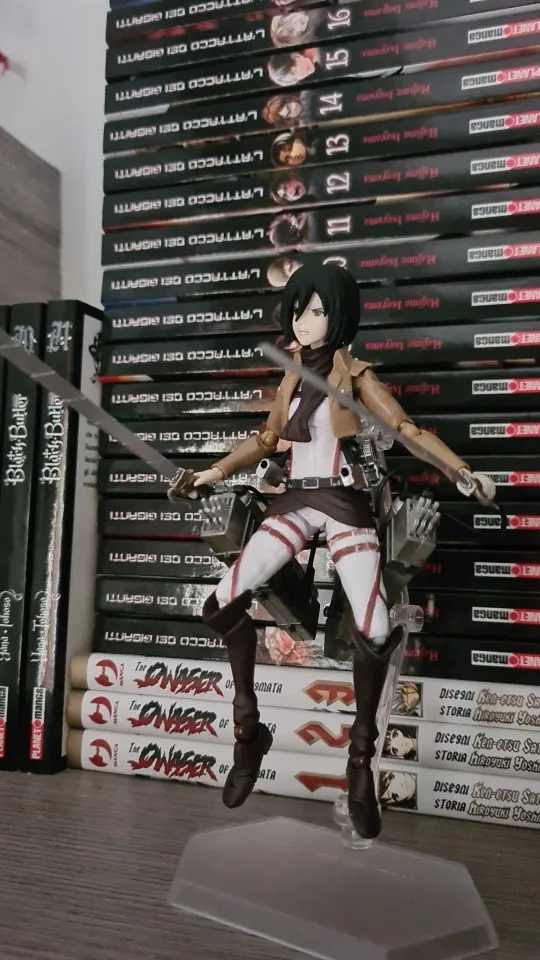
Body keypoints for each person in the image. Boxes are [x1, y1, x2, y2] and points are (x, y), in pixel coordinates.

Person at [189, 263, 496, 839]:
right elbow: (265, 439)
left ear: (340, 316)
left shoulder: (356, 375)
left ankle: (360, 760)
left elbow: (407, 429)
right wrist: (212, 472)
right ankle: (248, 732)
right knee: (220, 601)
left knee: (375, 627)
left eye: (318, 311)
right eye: (299, 311)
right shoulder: (290, 374)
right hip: (294, 504)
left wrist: (460, 471)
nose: (305, 322)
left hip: (343, 503)